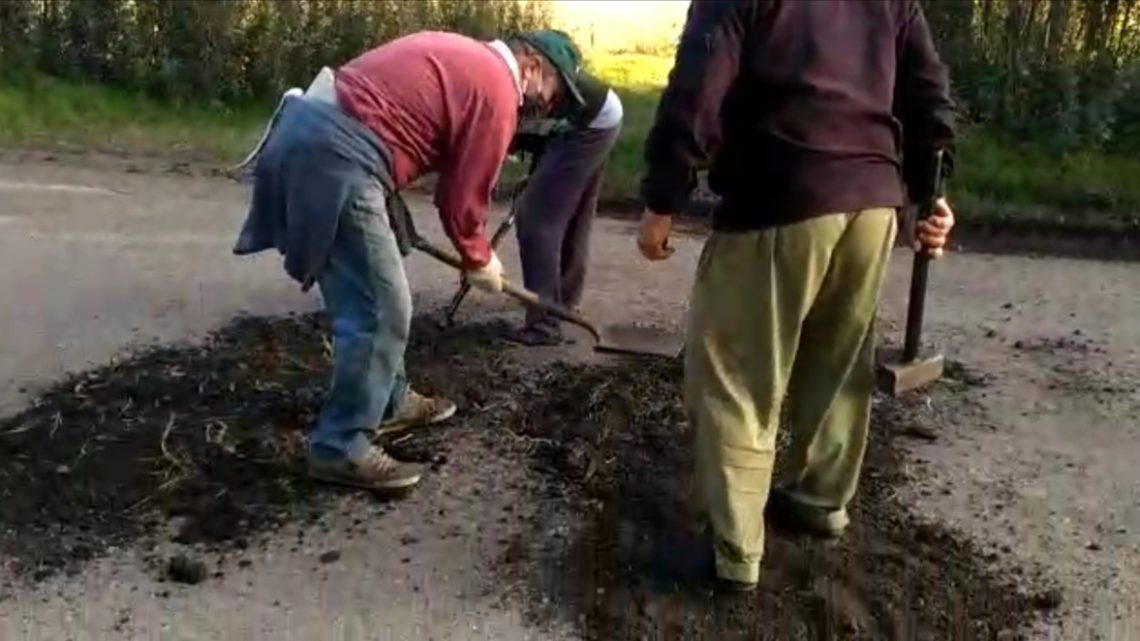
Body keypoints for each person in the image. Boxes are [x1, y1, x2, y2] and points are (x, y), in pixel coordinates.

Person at [637, 1, 958, 591]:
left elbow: (698, 87)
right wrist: (929, 193)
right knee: (837, 364)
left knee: (736, 375)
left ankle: (734, 553)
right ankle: (819, 500)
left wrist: (663, 196)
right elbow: (927, 94)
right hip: (872, 206)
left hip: (778, 197)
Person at [232, 29, 587, 492]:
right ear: (534, 66)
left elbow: (391, 117)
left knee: (375, 290)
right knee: (381, 308)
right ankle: (340, 447)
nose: (549, 105)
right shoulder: (499, 90)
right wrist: (479, 257)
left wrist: (389, 198)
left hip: (317, 136)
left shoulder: (466, 56)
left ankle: (390, 401)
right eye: (555, 92)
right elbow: (461, 199)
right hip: (335, 155)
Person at [506, 74, 623, 345]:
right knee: (572, 213)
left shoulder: (488, 90)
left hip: (584, 118)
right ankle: (562, 303)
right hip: (599, 111)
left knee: (535, 217)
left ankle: (544, 324)